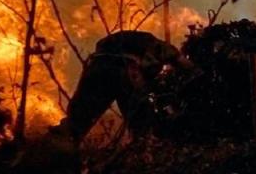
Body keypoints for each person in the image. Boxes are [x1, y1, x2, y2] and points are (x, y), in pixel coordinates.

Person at [53, 30, 193, 143]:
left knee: (77, 121)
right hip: (124, 71)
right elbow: (187, 66)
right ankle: (144, 154)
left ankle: (55, 151)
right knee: (142, 125)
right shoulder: (162, 49)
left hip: (96, 68)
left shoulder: (108, 51)